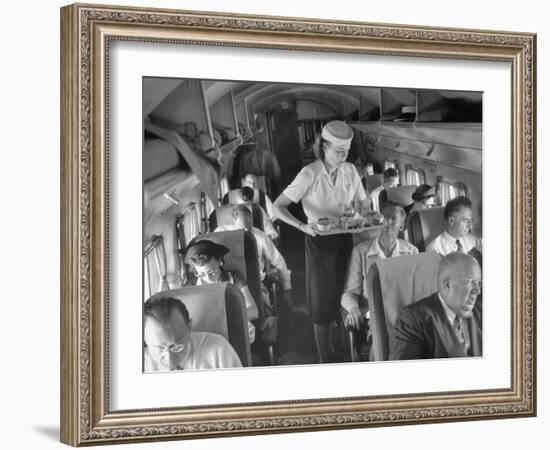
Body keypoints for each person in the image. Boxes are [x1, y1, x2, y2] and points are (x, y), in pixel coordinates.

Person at [273, 120, 370, 362]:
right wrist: (301, 226)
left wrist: (358, 214)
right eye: (338, 152)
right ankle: (323, 357)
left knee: (347, 293)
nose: (343, 156)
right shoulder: (309, 174)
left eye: (346, 152)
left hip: (345, 239)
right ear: (324, 147)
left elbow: (364, 203)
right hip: (318, 244)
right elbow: (277, 207)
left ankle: (347, 346)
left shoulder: (350, 171)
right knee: (322, 302)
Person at [341, 202, 418, 359]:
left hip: (404, 316)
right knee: (387, 337)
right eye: (384, 218)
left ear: (402, 226)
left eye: (393, 219)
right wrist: (353, 309)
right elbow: (349, 294)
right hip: (375, 318)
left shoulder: (412, 252)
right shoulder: (360, 252)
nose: (388, 223)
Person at [389, 252, 482, 360]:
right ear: (447, 285)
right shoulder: (411, 320)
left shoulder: (480, 311)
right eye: (471, 283)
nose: (477, 291)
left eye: (479, 283)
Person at [215, 205, 293, 311]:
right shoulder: (219, 234)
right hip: (227, 282)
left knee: (262, 309)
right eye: (243, 228)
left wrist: (287, 289)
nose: (247, 231)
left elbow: (278, 261)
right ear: (233, 222)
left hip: (255, 282)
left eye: (250, 227)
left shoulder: (259, 235)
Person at [183, 239, 259, 343]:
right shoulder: (190, 286)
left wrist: (242, 321)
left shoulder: (234, 278)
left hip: (232, 330)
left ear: (220, 261)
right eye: (201, 274)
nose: (208, 278)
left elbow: (253, 311)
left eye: (212, 272)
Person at [144, 296, 242, 371]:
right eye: (160, 348)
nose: (169, 357)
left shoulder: (218, 349)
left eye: (177, 346)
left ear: (189, 327)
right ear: (145, 339)